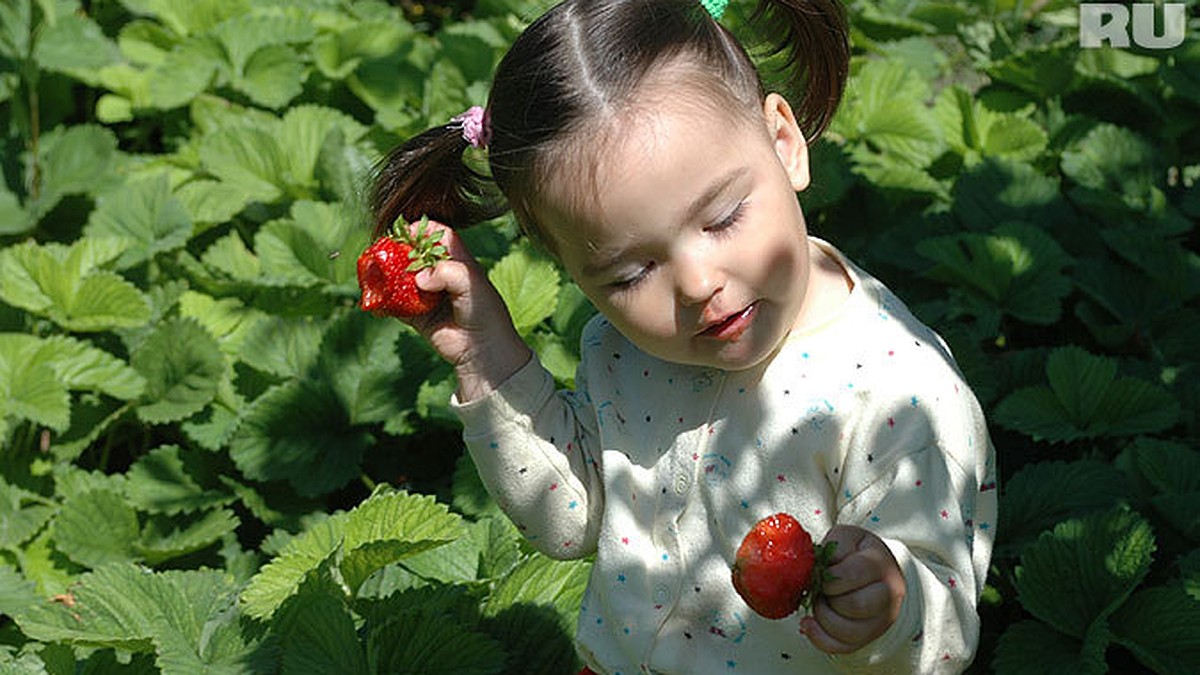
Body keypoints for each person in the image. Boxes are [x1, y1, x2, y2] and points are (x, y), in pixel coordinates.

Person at [369, 1, 997, 673]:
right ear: (571, 270)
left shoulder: (899, 394)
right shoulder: (625, 345)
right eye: (631, 271)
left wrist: (892, 608)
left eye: (723, 217)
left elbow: (947, 636)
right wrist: (485, 353)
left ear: (784, 142)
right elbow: (572, 518)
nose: (696, 283)